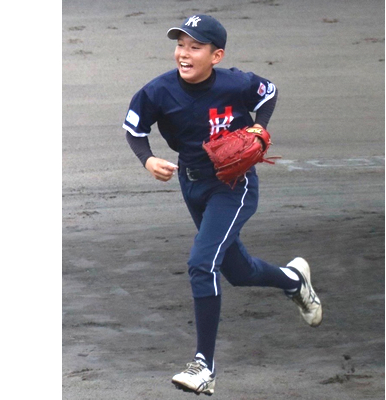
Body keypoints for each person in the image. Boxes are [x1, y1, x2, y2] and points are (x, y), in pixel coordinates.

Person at [122, 14, 323, 396]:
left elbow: (268, 93)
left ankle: (204, 367)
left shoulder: (235, 83)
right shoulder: (157, 91)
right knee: (238, 270)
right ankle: (294, 281)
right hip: (192, 184)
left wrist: (260, 127)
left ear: (216, 55)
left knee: (202, 263)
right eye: (180, 45)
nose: (184, 53)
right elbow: (134, 129)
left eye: (195, 47)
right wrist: (147, 160)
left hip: (234, 186)